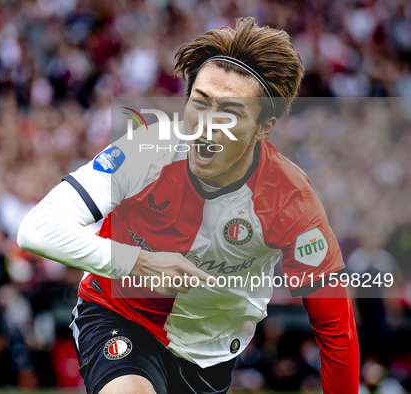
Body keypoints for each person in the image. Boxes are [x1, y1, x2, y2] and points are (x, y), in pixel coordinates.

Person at [18, 17, 359, 394]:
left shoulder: (291, 201)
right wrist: (138, 261)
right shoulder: (144, 152)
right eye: (201, 103)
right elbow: (37, 229)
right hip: (117, 314)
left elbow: (336, 331)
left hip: (210, 354)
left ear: (264, 127)